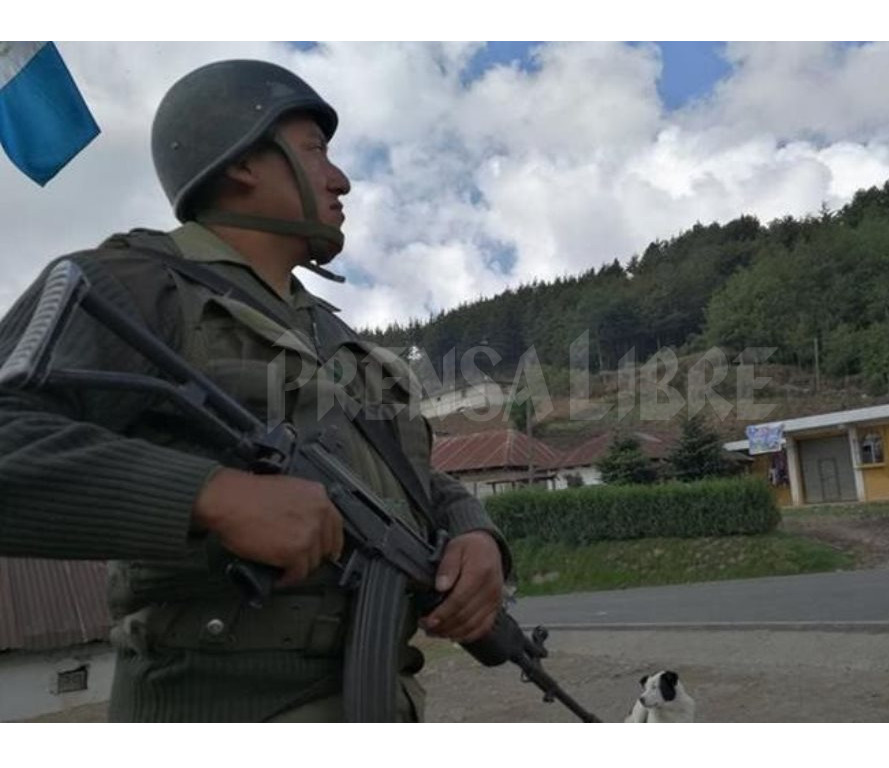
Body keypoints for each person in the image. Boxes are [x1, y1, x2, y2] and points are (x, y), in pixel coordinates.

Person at [0, 59, 510, 722]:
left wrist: (475, 534)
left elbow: (414, 480)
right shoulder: (134, 285)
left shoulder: (335, 337)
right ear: (241, 161)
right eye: (315, 151)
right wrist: (209, 496)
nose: (341, 179)